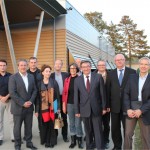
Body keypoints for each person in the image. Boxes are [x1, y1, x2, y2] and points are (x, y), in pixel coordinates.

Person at [74, 60, 106, 150]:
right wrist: (77, 111)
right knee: (88, 131)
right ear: (81, 68)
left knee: (98, 130)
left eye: (88, 66)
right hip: (84, 109)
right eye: (84, 67)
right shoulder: (77, 80)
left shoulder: (98, 77)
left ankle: (100, 147)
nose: (86, 68)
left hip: (96, 108)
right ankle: (89, 147)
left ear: (90, 66)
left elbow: (102, 94)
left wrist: (104, 107)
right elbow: (76, 97)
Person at [107, 54, 136, 150]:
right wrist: (107, 105)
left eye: (121, 59)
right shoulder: (110, 73)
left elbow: (135, 90)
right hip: (114, 106)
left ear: (124, 60)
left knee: (127, 129)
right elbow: (108, 90)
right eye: (117, 60)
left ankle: (127, 147)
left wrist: (134, 106)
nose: (119, 61)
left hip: (127, 107)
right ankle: (117, 146)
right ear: (115, 61)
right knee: (115, 128)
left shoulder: (132, 72)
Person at [9, 59, 37, 150]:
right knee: (17, 128)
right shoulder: (13, 77)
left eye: (25, 65)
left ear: (27, 66)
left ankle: (29, 142)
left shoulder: (31, 77)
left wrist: (31, 101)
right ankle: (17, 145)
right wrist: (23, 103)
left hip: (29, 107)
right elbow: (12, 93)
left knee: (29, 127)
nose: (23, 67)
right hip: (18, 108)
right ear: (18, 67)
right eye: (21, 65)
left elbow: (35, 90)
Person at [124, 57, 150, 149]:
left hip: (145, 110)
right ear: (139, 65)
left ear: (149, 66)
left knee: (146, 137)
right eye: (142, 64)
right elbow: (126, 94)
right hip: (131, 109)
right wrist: (128, 109)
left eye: (146, 64)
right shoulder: (132, 77)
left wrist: (141, 110)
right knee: (127, 134)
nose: (143, 66)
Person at [35, 64, 60, 148]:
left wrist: (57, 108)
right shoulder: (39, 84)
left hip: (52, 108)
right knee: (44, 125)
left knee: (52, 124)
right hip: (43, 108)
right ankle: (45, 140)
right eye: (46, 71)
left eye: (49, 71)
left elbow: (56, 96)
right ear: (42, 72)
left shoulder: (54, 82)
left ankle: (51, 141)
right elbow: (37, 99)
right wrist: (36, 110)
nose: (48, 73)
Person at [62, 63, 83, 149]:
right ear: (69, 70)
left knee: (78, 123)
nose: (73, 70)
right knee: (71, 123)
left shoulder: (81, 79)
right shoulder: (67, 79)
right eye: (71, 69)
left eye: (74, 68)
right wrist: (64, 105)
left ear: (77, 69)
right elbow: (64, 93)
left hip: (79, 104)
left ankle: (79, 140)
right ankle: (73, 141)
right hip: (69, 104)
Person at [51, 59, 69, 142]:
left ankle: (65, 136)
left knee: (64, 118)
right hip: (54, 100)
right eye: (56, 64)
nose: (58, 65)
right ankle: (55, 136)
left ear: (62, 65)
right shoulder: (51, 75)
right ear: (54, 65)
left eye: (59, 64)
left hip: (64, 99)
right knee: (55, 118)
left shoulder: (66, 74)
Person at [94, 60, 110, 149]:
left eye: (103, 65)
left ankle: (106, 140)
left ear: (105, 66)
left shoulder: (110, 75)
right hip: (95, 105)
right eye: (99, 65)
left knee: (106, 124)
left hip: (106, 105)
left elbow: (111, 92)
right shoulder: (93, 75)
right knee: (96, 124)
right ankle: (97, 141)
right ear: (97, 66)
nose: (101, 66)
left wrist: (108, 105)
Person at [0, 59, 14, 146]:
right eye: (0, 65)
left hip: (10, 100)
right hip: (0, 101)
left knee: (12, 120)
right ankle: (0, 137)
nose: (2, 67)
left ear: (6, 66)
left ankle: (13, 137)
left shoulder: (11, 76)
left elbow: (13, 88)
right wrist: (1, 97)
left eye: (4, 65)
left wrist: (6, 97)